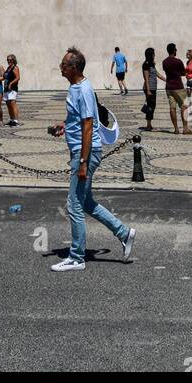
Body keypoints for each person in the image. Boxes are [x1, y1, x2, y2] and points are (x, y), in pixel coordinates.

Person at [50, 47, 135, 272]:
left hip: (85, 154)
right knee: (86, 202)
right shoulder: (76, 88)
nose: (61, 67)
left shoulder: (83, 90)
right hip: (82, 152)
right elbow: (80, 120)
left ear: (74, 68)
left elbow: (89, 126)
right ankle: (124, 233)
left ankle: (77, 257)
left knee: (74, 205)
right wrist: (65, 125)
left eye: (64, 64)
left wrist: (84, 162)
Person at [161, 43, 192, 134]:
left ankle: (176, 129)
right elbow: (183, 73)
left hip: (168, 87)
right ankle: (185, 128)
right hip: (178, 86)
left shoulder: (164, 62)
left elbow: (167, 71)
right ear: (174, 50)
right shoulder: (178, 61)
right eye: (175, 49)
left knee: (172, 108)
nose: (176, 51)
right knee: (184, 107)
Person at [141, 47, 158, 131]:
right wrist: (148, 90)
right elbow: (146, 78)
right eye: (153, 53)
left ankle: (149, 124)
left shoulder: (151, 63)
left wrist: (165, 79)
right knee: (150, 106)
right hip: (149, 88)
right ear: (150, 54)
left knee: (152, 106)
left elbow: (156, 73)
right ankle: (148, 125)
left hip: (153, 88)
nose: (154, 55)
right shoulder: (146, 64)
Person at [4, 54, 21, 126]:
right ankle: (11, 119)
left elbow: (18, 78)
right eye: (7, 60)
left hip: (12, 89)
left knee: (13, 104)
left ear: (13, 60)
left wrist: (11, 83)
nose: (9, 61)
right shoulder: (8, 68)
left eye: (10, 60)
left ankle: (16, 121)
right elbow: (4, 77)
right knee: (8, 104)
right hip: (6, 88)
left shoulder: (15, 68)